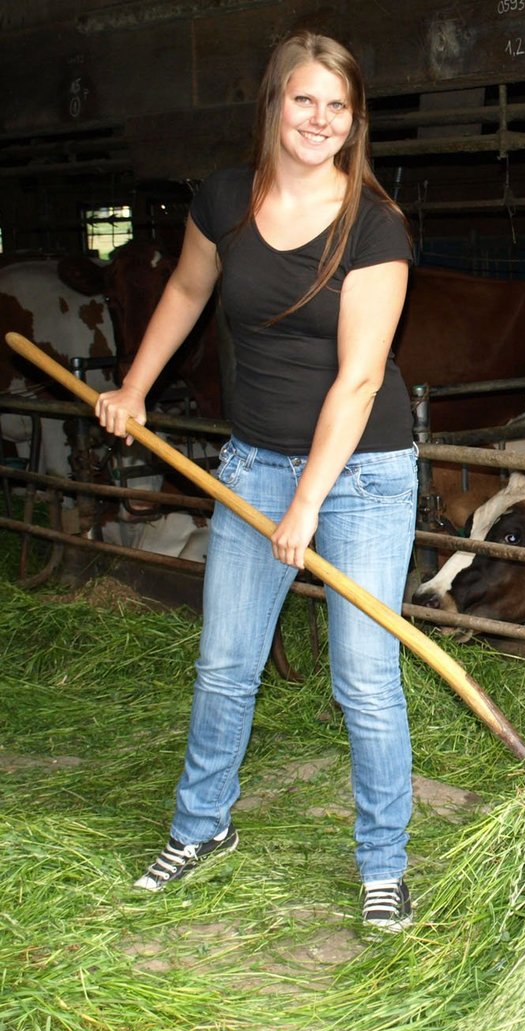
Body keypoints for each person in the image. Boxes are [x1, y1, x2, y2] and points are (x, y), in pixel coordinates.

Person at [94, 30, 418, 932]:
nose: (319, 120)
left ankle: (384, 865)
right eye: (303, 100)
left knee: (364, 678)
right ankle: (201, 830)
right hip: (252, 463)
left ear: (355, 121)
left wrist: (308, 504)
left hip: (360, 475)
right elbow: (190, 293)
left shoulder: (375, 226)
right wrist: (135, 386)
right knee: (226, 666)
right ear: (274, 102)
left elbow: (358, 380)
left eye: (337, 107)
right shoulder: (226, 199)